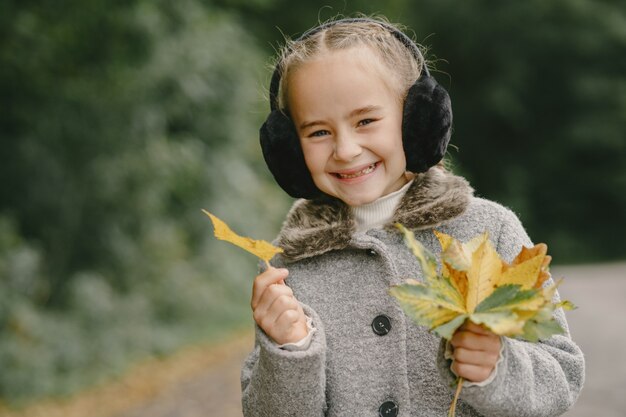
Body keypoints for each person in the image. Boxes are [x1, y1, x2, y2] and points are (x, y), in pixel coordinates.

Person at [242, 16, 584, 417]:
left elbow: (563, 374)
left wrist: (497, 369)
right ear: (289, 150)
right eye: (318, 132)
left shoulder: (488, 230)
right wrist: (290, 352)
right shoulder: (290, 269)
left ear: (416, 120)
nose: (346, 149)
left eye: (366, 121)